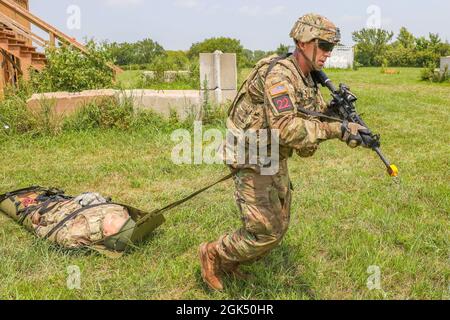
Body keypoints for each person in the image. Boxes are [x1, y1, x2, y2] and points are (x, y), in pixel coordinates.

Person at [199, 13, 369, 291]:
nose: (328, 54)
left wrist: (334, 116)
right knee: (266, 232)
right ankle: (214, 253)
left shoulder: (307, 77)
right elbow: (287, 129)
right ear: (303, 42)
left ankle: (229, 261)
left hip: (272, 153)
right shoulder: (279, 75)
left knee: (279, 223)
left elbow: (308, 117)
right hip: (251, 155)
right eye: (323, 46)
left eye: (331, 48)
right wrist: (337, 130)